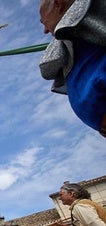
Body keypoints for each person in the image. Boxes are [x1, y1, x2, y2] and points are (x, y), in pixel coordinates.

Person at [39, 0, 106, 137]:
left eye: (43, 21)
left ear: (58, 4)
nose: (45, 30)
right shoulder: (68, 40)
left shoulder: (96, 15)